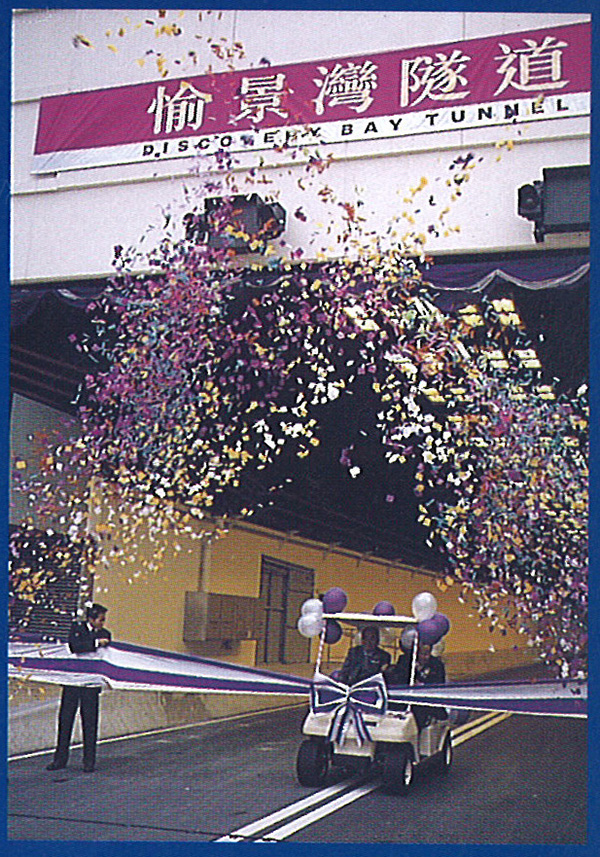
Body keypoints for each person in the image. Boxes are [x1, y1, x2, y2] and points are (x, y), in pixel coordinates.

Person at [46, 603, 111, 773]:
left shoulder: (105, 634)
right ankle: (60, 759)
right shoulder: (77, 629)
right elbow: (75, 647)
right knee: (65, 721)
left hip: (90, 686)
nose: (102, 623)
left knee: (90, 723)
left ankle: (89, 761)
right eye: (100, 620)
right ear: (91, 619)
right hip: (72, 684)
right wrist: (95, 643)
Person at [385, 642, 446, 730]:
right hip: (406, 699)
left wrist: (423, 685)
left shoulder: (437, 665)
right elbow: (399, 679)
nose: (425, 657)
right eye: (422, 654)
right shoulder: (405, 660)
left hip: (426, 701)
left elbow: (439, 685)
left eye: (427, 654)